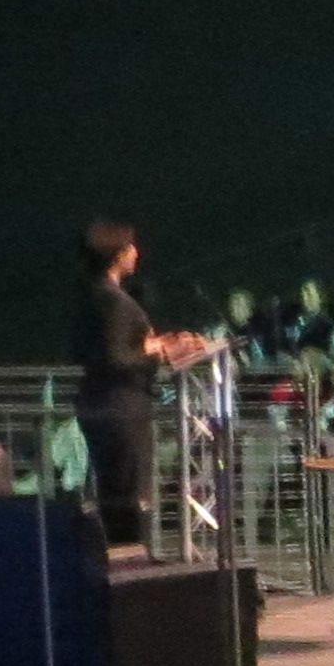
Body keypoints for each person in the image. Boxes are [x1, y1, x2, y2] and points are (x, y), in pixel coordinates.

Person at [71, 220, 208, 550]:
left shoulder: (94, 296)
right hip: (122, 409)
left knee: (115, 494)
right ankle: (131, 572)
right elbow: (116, 358)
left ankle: (122, 568)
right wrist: (163, 351)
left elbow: (105, 350)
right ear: (117, 254)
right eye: (130, 247)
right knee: (130, 498)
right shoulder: (115, 301)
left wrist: (156, 345)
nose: (137, 252)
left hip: (102, 406)